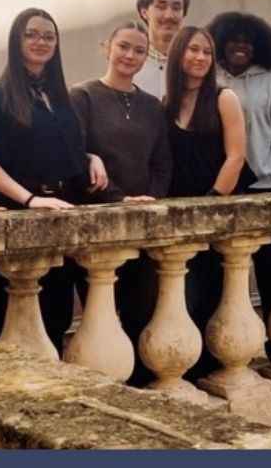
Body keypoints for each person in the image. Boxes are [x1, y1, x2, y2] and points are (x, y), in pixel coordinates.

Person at [0, 8, 116, 352]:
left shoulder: (61, 97)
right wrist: (30, 200)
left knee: (55, 317)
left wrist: (91, 158)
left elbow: (61, 149)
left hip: (61, 213)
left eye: (49, 36)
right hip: (18, 214)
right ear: (16, 40)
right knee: (10, 323)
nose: (41, 42)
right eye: (32, 34)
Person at [71, 21, 170, 354]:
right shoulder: (82, 96)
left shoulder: (153, 106)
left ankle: (141, 383)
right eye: (123, 46)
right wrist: (119, 197)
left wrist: (149, 199)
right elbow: (74, 157)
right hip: (96, 224)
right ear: (107, 48)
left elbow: (162, 164)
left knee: (142, 314)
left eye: (139, 50)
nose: (130, 55)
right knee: (99, 319)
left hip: (143, 223)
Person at [158, 24, 249, 380]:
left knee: (208, 295)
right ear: (178, 53)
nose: (200, 57)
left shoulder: (224, 98)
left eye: (207, 52)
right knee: (178, 295)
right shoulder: (166, 104)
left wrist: (209, 204)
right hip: (176, 216)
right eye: (193, 49)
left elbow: (236, 158)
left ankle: (206, 372)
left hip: (214, 212)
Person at [210, 11, 271, 306]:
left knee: (270, 269)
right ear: (220, 43)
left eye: (247, 41)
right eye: (233, 40)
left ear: (259, 46)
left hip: (262, 187)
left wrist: (266, 172)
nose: (240, 46)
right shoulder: (208, 81)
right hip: (218, 188)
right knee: (219, 270)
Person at [134, 0, 188, 96]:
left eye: (176, 8)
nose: (169, 15)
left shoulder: (194, 63)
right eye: (161, 7)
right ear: (144, 12)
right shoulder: (131, 62)